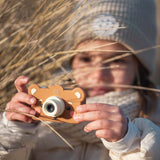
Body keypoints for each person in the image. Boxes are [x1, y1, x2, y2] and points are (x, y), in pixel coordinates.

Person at [0, 0, 160, 159]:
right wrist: (14, 132)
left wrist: (129, 142)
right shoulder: (41, 108)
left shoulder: (153, 121)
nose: (98, 75)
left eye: (117, 61)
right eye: (85, 59)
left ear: (140, 66)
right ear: (71, 61)